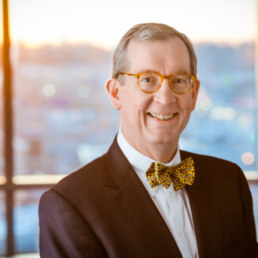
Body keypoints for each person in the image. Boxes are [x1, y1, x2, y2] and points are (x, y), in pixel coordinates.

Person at [39, 23, 258, 258]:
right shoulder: (70, 205)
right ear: (115, 93)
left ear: (194, 94)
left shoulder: (230, 181)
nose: (165, 98)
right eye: (148, 80)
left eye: (179, 80)